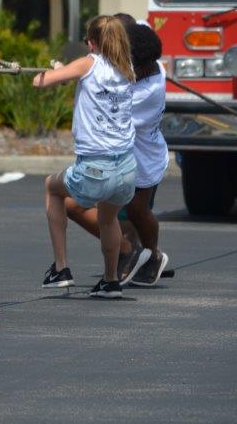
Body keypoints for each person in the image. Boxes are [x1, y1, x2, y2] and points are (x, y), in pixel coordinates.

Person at [34, 15, 136, 299]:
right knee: (108, 219)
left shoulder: (88, 63)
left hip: (95, 166)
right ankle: (110, 281)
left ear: (91, 43)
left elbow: (40, 81)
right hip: (127, 167)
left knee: (52, 188)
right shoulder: (127, 67)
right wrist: (68, 73)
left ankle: (61, 268)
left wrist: (58, 70)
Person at [65, 22, 170, 286]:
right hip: (130, 156)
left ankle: (145, 254)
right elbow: (136, 28)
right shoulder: (154, 68)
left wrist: (79, 70)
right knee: (125, 212)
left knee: (135, 211)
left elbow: (102, 99)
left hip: (141, 161)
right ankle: (136, 252)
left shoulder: (144, 93)